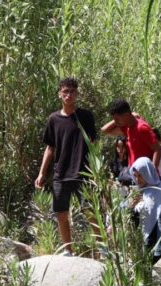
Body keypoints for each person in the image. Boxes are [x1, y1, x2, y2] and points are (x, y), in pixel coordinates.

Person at [35, 77, 98, 256]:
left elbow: (93, 144)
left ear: (77, 93)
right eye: (65, 91)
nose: (68, 95)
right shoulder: (54, 119)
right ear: (59, 94)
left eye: (72, 91)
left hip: (83, 172)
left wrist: (96, 172)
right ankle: (67, 250)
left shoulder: (85, 116)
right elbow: (50, 148)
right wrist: (41, 173)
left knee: (91, 212)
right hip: (61, 173)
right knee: (61, 214)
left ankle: (103, 248)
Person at [130, 157, 161, 263]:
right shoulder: (137, 191)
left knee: (145, 266)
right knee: (141, 270)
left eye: (140, 175)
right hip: (138, 238)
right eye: (135, 176)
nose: (138, 179)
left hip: (155, 237)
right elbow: (128, 213)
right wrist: (131, 206)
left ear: (148, 173)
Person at [101, 100, 161, 168]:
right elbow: (104, 130)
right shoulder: (126, 128)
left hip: (145, 176)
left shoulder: (141, 127)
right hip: (135, 174)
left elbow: (158, 150)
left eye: (117, 119)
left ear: (126, 115)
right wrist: (117, 119)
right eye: (114, 119)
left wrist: (152, 172)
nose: (116, 122)